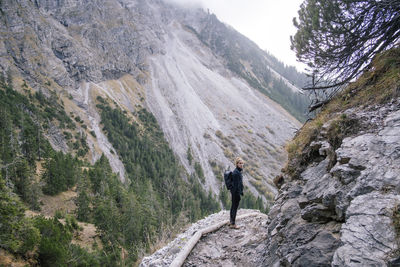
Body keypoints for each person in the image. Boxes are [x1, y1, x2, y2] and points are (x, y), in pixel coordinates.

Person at [229, 157, 244, 229]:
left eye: (242, 163)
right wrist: (238, 194)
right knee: (234, 207)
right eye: (240, 163)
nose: (241, 165)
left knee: (233, 207)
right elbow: (236, 185)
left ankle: (231, 221)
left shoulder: (237, 172)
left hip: (234, 193)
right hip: (236, 193)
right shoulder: (236, 173)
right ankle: (233, 224)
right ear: (237, 164)